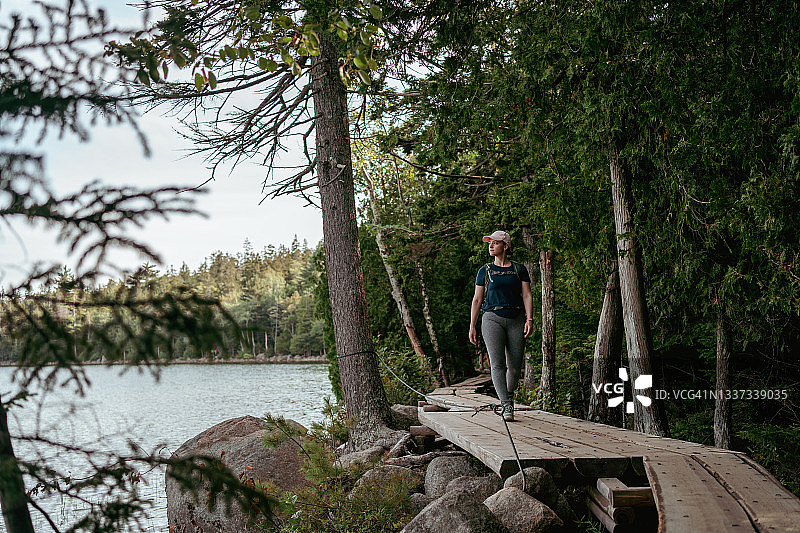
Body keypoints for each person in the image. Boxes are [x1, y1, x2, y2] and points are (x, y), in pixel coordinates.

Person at [469, 230, 534, 421]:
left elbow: (527, 295)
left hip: (516, 318)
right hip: (491, 318)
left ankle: (509, 395)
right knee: (497, 364)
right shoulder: (485, 270)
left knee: (514, 367)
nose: (490, 246)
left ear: (505, 246)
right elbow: (477, 299)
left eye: (495, 243)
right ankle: (506, 404)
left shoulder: (519, 269)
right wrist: (472, 325)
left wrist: (529, 319)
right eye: (489, 243)